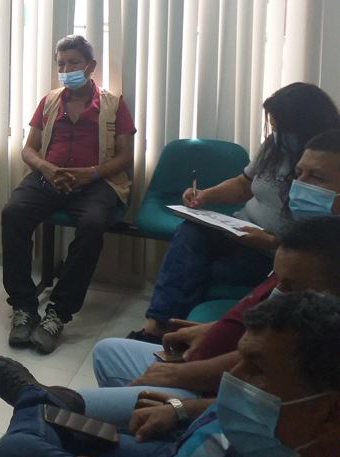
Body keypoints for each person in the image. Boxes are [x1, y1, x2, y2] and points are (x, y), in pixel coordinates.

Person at [0, 291, 340, 457]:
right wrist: (180, 410)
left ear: (330, 410)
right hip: (182, 444)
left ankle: (35, 398)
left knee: (18, 446)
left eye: (256, 368)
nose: (233, 375)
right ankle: (46, 402)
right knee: (62, 424)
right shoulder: (279, 420)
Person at [130, 83, 340, 342]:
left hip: (273, 252)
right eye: (274, 129)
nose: (277, 135)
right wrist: (204, 195)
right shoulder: (274, 148)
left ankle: (180, 334)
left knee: (193, 269)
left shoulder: (327, 164)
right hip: (240, 232)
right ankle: (158, 327)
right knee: (190, 231)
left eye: (283, 130)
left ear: (305, 124)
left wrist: (270, 242)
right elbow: (243, 185)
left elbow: (320, 249)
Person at [85, 214, 340, 426]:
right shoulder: (299, 275)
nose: (279, 291)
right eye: (277, 280)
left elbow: (248, 392)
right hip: (202, 375)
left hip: (207, 393)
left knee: (68, 409)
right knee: (107, 351)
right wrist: (213, 330)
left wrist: (180, 397)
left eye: (290, 287)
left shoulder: (320, 333)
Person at [1, 35, 136, 353]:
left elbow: (124, 157)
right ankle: (23, 306)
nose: (66, 70)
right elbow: (28, 150)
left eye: (74, 63)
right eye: (61, 64)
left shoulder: (113, 104)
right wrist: (46, 168)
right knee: (13, 213)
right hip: (49, 177)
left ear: (91, 66)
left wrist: (91, 173)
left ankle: (58, 313)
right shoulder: (49, 101)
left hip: (96, 183)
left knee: (92, 225)